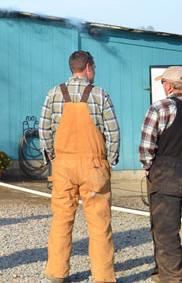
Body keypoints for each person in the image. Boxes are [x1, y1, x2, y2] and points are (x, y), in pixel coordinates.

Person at [39, 50, 120, 283]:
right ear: (88, 67)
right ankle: (104, 277)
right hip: (94, 166)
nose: (95, 71)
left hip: (63, 166)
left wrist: (52, 158)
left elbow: (44, 130)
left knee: (62, 221)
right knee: (99, 223)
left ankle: (57, 274)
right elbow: (113, 132)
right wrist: (110, 161)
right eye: (94, 67)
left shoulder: (54, 94)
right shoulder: (100, 95)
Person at [140, 65, 182, 282]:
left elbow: (146, 147)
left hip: (167, 176)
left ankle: (171, 276)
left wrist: (149, 169)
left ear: (168, 86)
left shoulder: (160, 108)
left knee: (166, 230)